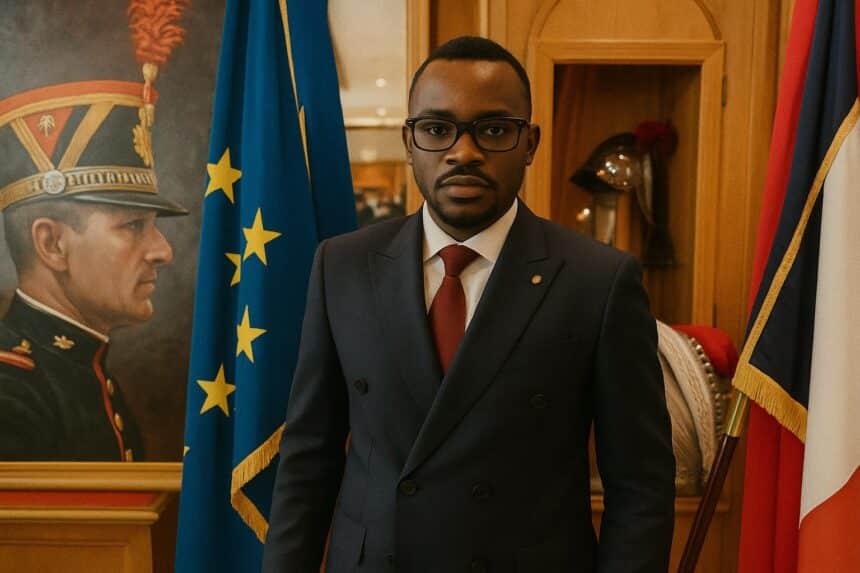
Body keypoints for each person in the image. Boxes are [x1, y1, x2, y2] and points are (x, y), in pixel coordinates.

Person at [263, 36, 675, 572]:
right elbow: (307, 462)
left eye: (494, 130)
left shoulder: (598, 280)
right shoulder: (341, 266)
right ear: (409, 142)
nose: (463, 152)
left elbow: (640, 485)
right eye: (437, 129)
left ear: (530, 143)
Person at [0, 80, 187, 461]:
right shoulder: (12, 392)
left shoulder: (81, 370)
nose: (163, 251)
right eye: (133, 226)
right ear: (52, 244)